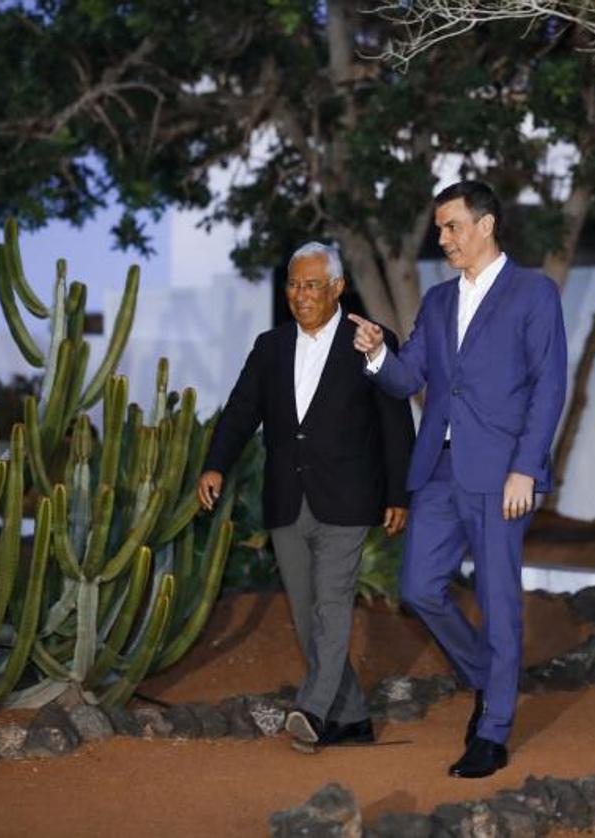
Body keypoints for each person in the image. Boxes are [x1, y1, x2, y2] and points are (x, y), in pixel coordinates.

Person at [349, 181, 568, 779]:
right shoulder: (441, 302)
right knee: (419, 587)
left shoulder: (533, 293)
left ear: (486, 224)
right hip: (440, 469)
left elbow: (549, 388)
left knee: (499, 603)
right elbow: (407, 377)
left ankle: (493, 731)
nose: (442, 238)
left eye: (451, 226)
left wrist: (526, 467)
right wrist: (375, 354)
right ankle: (488, 678)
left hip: (501, 473)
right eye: (440, 228)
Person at [197, 241, 414, 754]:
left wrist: (399, 492)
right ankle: (354, 718)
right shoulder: (269, 347)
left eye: (312, 284)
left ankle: (313, 710)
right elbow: (240, 410)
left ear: (337, 287)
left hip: (348, 497)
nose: (301, 294)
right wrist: (214, 464)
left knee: (332, 605)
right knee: (303, 613)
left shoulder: (369, 342)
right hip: (287, 499)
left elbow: (395, 422)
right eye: (294, 284)